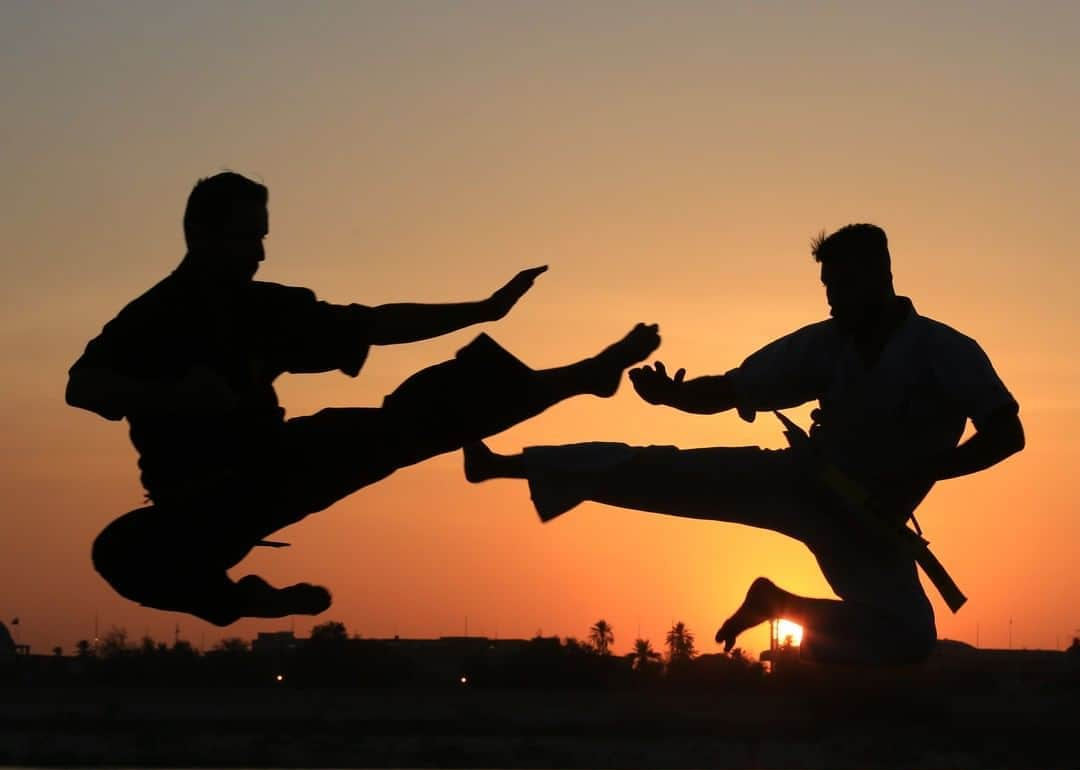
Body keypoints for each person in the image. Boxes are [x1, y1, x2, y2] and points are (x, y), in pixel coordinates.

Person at [68, 171, 660, 625]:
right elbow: (82, 385)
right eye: (247, 237)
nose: (260, 252)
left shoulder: (266, 308)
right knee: (116, 553)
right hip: (193, 508)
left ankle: (582, 375)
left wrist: (481, 310)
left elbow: (374, 324)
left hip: (278, 465)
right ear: (199, 235)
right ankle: (239, 600)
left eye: (263, 237)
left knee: (407, 424)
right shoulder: (150, 320)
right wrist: (167, 395)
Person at [464, 224, 1025, 664]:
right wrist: (674, 399)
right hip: (801, 484)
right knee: (663, 474)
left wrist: (923, 470)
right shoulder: (825, 344)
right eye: (825, 287)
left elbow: (1007, 434)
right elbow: (734, 387)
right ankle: (505, 464)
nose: (830, 299)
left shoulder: (944, 350)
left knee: (909, 640)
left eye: (840, 286)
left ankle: (779, 606)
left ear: (880, 277)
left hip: (870, 526)